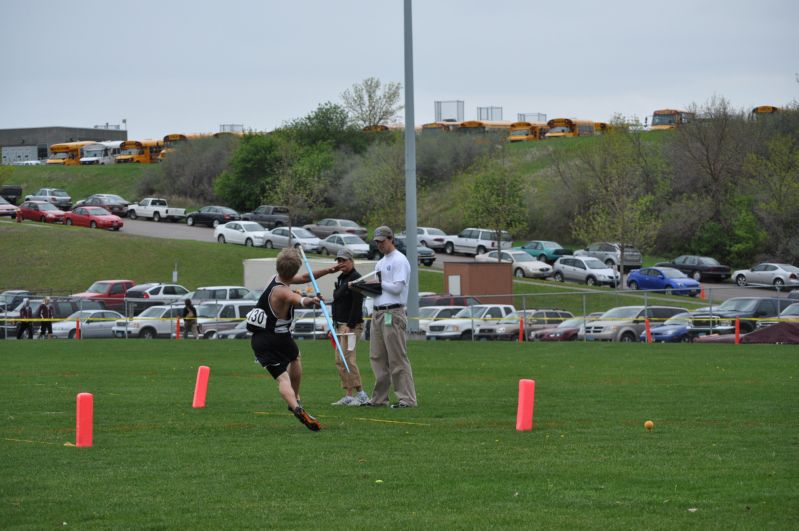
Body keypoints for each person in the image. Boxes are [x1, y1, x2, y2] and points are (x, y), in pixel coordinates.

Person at [249, 248, 342, 431]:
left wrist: (327, 271)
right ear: (293, 270)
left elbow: (305, 278)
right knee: (295, 357)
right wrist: (312, 300)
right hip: (279, 338)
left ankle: (296, 408)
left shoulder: (273, 280)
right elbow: (297, 299)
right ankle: (296, 398)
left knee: (282, 378)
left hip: (259, 340)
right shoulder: (283, 292)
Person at [362, 226, 417, 408]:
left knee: (397, 358)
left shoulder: (400, 260)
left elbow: (397, 288)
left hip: (393, 313)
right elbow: (379, 289)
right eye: (377, 242)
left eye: (382, 241)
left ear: (391, 239)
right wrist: (363, 289)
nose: (379, 245)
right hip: (378, 313)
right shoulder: (380, 262)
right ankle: (379, 399)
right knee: (377, 357)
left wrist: (379, 283)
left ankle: (407, 399)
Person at [330, 249, 368, 406]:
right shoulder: (341, 279)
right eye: (339, 261)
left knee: (348, 359)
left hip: (351, 326)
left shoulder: (357, 279)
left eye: (344, 260)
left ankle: (361, 394)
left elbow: (357, 304)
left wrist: (350, 325)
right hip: (339, 325)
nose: (341, 264)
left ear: (351, 261)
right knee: (339, 360)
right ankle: (349, 394)